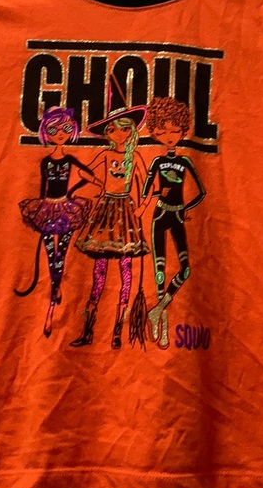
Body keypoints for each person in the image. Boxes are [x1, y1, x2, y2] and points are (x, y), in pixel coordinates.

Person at [17, 106, 102, 337]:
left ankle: (51, 306)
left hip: (66, 209)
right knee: (50, 256)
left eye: (65, 128)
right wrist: (38, 212)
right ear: (46, 132)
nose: (60, 133)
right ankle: (56, 287)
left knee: (60, 256)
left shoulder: (70, 159)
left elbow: (86, 173)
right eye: (54, 130)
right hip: (47, 208)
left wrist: (93, 184)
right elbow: (43, 187)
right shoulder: (45, 161)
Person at [71, 106, 150, 349]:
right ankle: (88, 330)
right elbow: (83, 172)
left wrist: (142, 207)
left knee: (126, 270)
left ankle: (117, 331)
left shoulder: (135, 158)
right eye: (114, 130)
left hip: (126, 213)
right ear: (108, 133)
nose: (120, 134)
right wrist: (98, 183)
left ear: (131, 131)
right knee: (99, 272)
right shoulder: (106, 155)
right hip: (106, 211)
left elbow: (147, 185)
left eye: (125, 129)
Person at [135, 97, 206, 349]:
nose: (169, 136)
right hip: (159, 215)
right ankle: (162, 328)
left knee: (185, 269)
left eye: (174, 131)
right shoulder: (156, 162)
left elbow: (202, 192)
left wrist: (186, 208)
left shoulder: (185, 161)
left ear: (183, 131)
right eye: (163, 131)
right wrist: (156, 195)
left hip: (177, 216)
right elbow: (146, 192)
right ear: (155, 132)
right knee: (160, 273)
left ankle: (158, 309)